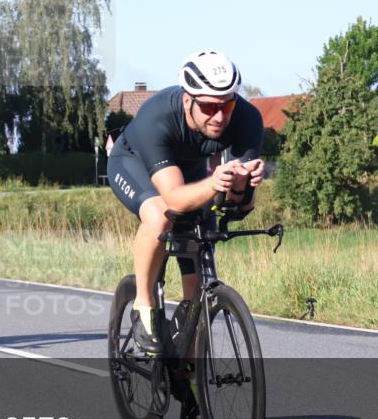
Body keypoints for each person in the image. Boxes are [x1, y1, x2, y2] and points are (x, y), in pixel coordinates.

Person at [107, 50, 266, 355]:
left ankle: (189, 370)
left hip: (191, 172)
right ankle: (143, 305)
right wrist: (214, 182)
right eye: (208, 106)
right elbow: (174, 200)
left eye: (227, 105)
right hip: (134, 164)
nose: (219, 116)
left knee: (197, 283)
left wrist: (244, 184)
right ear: (186, 100)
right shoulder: (157, 116)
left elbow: (240, 207)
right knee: (159, 216)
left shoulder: (247, 119)